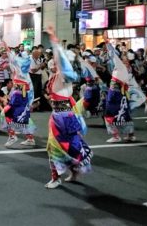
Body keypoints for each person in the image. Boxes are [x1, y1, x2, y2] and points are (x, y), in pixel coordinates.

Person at [43, 26, 93, 189]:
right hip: (57, 117)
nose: (55, 60)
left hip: (65, 118)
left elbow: (59, 57)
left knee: (70, 147)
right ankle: (57, 176)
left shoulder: (65, 77)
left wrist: (53, 37)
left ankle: (72, 171)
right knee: (53, 147)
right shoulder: (56, 76)